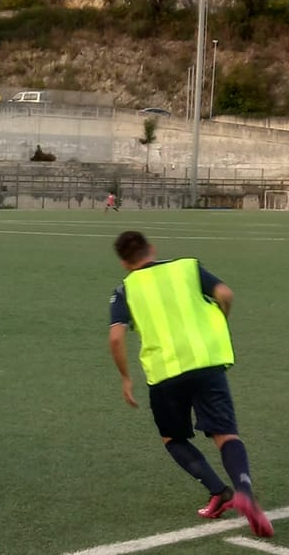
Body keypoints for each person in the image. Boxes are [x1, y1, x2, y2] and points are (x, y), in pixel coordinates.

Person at [108, 229, 273, 537]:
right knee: (225, 434)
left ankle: (216, 489)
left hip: (165, 373)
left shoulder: (125, 289)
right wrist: (219, 321)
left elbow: (116, 337)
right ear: (152, 249)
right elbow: (225, 294)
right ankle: (243, 491)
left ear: (124, 263)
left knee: (172, 438)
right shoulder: (188, 267)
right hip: (207, 362)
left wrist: (126, 378)